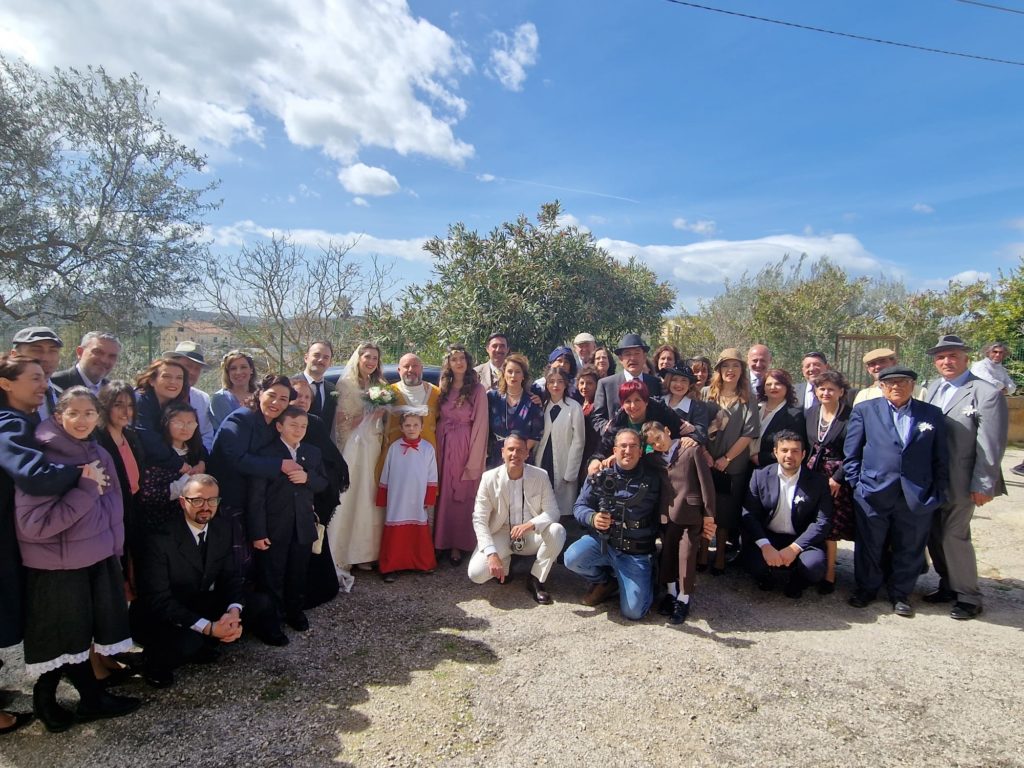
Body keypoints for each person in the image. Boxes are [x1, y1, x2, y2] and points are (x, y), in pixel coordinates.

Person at [15, 386, 140, 731]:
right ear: (58, 416)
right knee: (61, 638)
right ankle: (49, 701)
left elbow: (114, 506)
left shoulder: (97, 451)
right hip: (58, 566)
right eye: (74, 413)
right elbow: (33, 525)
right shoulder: (43, 458)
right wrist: (85, 489)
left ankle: (90, 698)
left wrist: (115, 550)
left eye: (89, 413)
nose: (82, 420)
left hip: (96, 558)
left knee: (80, 634)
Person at [0, 355, 86, 735]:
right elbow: (34, 476)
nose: (43, 385)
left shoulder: (28, 421)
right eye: (34, 378)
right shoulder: (9, 424)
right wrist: (79, 474)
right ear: (6, 383)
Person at [131, 474, 275, 687]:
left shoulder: (222, 529)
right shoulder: (160, 539)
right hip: (160, 614)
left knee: (259, 602)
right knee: (190, 641)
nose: (205, 507)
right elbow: (158, 600)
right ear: (182, 502)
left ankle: (205, 641)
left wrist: (233, 613)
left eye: (212, 500)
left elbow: (230, 577)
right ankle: (154, 662)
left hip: (197, 599)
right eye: (197, 500)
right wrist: (209, 628)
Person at [844, 366, 948, 617]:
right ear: (880, 386)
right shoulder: (865, 411)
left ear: (913, 384)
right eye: (889, 383)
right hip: (873, 491)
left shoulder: (931, 414)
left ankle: (900, 594)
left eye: (902, 382)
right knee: (870, 544)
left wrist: (938, 492)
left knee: (910, 546)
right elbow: (851, 453)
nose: (896, 387)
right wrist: (857, 484)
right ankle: (866, 589)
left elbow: (941, 457)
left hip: (916, 494)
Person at [924, 335, 1008, 620]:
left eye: (952, 356)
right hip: (934, 479)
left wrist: (984, 484)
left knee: (953, 536)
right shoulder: (934, 388)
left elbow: (991, 444)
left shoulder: (985, 392)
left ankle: (969, 596)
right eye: (940, 357)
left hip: (963, 480)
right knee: (934, 534)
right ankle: (948, 584)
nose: (946, 362)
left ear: (965, 358)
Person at [565, 428, 666, 619]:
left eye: (633, 446)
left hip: (635, 553)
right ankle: (606, 582)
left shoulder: (654, 478)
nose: (628, 451)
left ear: (641, 450)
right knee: (572, 558)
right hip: (604, 544)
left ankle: (644, 579)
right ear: (614, 449)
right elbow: (580, 506)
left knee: (634, 612)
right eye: (623, 446)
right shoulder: (600, 475)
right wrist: (592, 518)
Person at [208, 374, 301, 578]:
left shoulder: (275, 423)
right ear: (259, 393)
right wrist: (279, 465)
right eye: (272, 395)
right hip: (231, 498)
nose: (276, 402)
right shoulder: (241, 419)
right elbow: (237, 459)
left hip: (256, 498)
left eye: (284, 399)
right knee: (236, 559)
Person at [248, 406, 327, 638]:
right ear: (279, 426)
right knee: (272, 574)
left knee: (297, 572)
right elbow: (256, 496)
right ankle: (271, 620)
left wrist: (307, 478)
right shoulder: (266, 453)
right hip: (274, 526)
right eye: (293, 424)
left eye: (303, 426)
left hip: (301, 524)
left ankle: (295, 611)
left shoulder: (312, 452)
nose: (299, 430)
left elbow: (323, 483)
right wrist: (258, 531)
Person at [468, 432, 565, 605]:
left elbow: (553, 511)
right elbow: (479, 519)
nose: (515, 454)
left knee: (557, 530)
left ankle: (536, 579)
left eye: (520, 450)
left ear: (527, 454)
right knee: (476, 574)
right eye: (511, 449)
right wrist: (491, 554)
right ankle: (504, 562)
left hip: (530, 534)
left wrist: (531, 524)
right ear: (502, 452)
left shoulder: (540, 475)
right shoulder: (489, 478)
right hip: (502, 533)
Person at [742, 430, 833, 598]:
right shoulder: (759, 475)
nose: (789, 455)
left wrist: (794, 548)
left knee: (814, 567)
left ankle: (797, 580)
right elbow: (749, 515)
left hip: (800, 539)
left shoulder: (818, 482)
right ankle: (766, 576)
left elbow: (823, 522)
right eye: (784, 450)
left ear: (803, 454)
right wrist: (765, 545)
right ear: (775, 452)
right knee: (752, 563)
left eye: (795, 451)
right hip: (769, 537)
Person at [287, 376, 348, 608]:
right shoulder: (277, 422)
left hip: (314, 491)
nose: (301, 400)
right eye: (297, 395)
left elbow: (331, 461)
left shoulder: (315, 423)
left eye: (306, 397)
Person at [327, 342, 387, 572]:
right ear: (359, 358)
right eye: (367, 357)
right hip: (354, 446)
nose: (371, 362)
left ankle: (367, 552)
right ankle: (345, 552)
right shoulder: (346, 385)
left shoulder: (380, 385)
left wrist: (379, 411)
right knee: (352, 495)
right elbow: (341, 423)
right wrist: (366, 413)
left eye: (375, 358)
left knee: (370, 496)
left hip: (374, 444)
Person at [700, 348, 760, 575]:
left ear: (741, 370)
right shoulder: (706, 393)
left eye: (735, 366)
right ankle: (703, 552)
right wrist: (705, 454)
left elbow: (748, 433)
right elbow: (698, 427)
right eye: (726, 366)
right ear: (719, 370)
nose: (730, 370)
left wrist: (726, 459)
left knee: (726, 511)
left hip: (732, 465)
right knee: (706, 508)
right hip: (706, 461)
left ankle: (721, 556)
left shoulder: (748, 399)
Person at [657, 420, 717, 624]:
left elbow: (706, 483)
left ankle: (684, 598)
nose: (658, 444)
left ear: (667, 430)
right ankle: (672, 593)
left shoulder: (690, 450)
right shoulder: (653, 457)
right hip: (666, 514)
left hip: (690, 513)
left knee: (687, 555)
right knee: (668, 554)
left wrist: (709, 514)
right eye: (652, 443)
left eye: (659, 438)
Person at [434, 345, 488, 567]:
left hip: (464, 444)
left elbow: (481, 425)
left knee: (461, 495)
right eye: (454, 359)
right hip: (442, 443)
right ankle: (439, 541)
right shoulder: (443, 387)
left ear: (468, 362)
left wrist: (474, 458)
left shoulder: (477, 390)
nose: (458, 362)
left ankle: (458, 544)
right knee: (442, 494)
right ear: (448, 363)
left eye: (462, 358)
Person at [803, 370, 854, 594]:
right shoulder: (810, 413)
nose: (826, 392)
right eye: (821, 388)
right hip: (812, 473)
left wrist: (837, 478)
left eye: (831, 389)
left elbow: (854, 452)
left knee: (831, 525)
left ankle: (830, 574)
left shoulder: (850, 416)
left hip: (837, 477)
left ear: (841, 392)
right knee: (811, 519)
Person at [377, 411, 438, 581]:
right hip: (397, 497)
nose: (412, 429)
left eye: (415, 425)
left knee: (419, 528)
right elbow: (386, 473)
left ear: (422, 427)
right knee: (395, 529)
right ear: (401, 428)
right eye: (408, 425)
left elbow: (432, 476)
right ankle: (390, 566)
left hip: (417, 498)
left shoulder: (428, 448)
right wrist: (383, 496)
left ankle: (421, 563)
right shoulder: (394, 448)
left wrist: (429, 498)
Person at [95, 382, 144, 585]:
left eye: (130, 405)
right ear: (105, 406)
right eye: (118, 405)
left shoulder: (131, 437)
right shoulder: (96, 440)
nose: (126, 411)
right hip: (109, 518)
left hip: (132, 511)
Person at [137, 401, 207, 533]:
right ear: (166, 422)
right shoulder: (159, 455)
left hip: (190, 524)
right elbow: (147, 495)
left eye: (190, 423)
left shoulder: (196, 453)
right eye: (179, 422)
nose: (185, 428)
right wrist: (185, 483)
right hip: (160, 525)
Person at [587, 380, 684, 470]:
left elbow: (682, 428)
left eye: (637, 400)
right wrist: (595, 460)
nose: (633, 406)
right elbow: (602, 449)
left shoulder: (661, 412)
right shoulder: (617, 423)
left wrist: (691, 438)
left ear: (646, 401)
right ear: (622, 404)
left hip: (668, 466)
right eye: (628, 401)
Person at [533, 367, 585, 518]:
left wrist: (571, 472)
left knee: (562, 507)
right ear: (546, 384)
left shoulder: (574, 407)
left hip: (564, 462)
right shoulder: (542, 406)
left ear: (566, 384)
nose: (555, 385)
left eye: (560, 381)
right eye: (551, 381)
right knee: (543, 503)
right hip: (543, 459)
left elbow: (579, 442)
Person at [592, 334, 663, 435]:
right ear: (621, 359)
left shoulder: (655, 383)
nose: (632, 358)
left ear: (644, 357)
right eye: (627, 354)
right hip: (618, 444)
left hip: (650, 445)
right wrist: (608, 429)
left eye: (637, 353)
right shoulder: (606, 384)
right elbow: (596, 418)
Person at [134, 357, 193, 473]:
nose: (173, 382)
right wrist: (179, 464)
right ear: (152, 380)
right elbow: (148, 439)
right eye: (166, 376)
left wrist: (201, 460)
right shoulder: (139, 400)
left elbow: (193, 433)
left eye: (179, 378)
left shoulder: (177, 403)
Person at [486, 353, 542, 469]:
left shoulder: (532, 402)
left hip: (522, 457)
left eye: (517, 372)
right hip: (496, 456)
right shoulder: (492, 397)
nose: (513, 376)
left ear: (523, 376)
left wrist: (516, 454)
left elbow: (536, 434)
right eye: (510, 371)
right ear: (504, 374)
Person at [380, 353, 440, 463]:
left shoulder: (436, 393)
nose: (410, 370)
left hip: (427, 458)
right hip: (396, 459)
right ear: (399, 370)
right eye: (406, 366)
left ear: (421, 369)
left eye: (415, 366)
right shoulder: (388, 393)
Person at [751, 368, 805, 468]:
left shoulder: (794, 415)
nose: (773, 387)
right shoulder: (755, 409)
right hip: (745, 466)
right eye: (768, 384)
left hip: (771, 468)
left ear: (787, 387)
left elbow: (794, 446)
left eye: (778, 384)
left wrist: (762, 458)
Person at [11, 326, 63, 423]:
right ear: (14, 355)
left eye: (53, 351)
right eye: (36, 350)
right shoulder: (6, 395)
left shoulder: (62, 396)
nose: (46, 358)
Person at [51, 331, 121, 395]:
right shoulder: (55, 384)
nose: (104, 360)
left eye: (112, 356)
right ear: (80, 352)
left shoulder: (114, 392)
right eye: (98, 352)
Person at [852, 347, 926, 405]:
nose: (877, 366)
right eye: (872, 364)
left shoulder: (919, 392)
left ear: (894, 362)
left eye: (882, 361)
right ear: (868, 370)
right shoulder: (864, 396)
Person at [660, 365, 709, 444]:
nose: (679, 384)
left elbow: (702, 433)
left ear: (690, 384)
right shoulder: (658, 402)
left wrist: (693, 431)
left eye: (684, 380)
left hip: (682, 451)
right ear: (668, 382)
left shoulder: (698, 406)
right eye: (674, 380)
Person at [210, 350, 257, 430]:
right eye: (233, 368)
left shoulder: (261, 396)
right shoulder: (220, 399)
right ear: (228, 373)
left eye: (243, 367)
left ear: (251, 370)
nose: (238, 372)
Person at [574, 365, 602, 491]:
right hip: (579, 454)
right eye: (582, 383)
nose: (585, 387)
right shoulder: (579, 404)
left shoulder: (598, 406)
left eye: (589, 383)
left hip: (592, 453)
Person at [299, 340, 337, 426]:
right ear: (306, 358)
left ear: (330, 362)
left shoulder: (332, 388)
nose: (321, 360)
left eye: (326, 357)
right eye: (316, 355)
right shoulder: (291, 384)